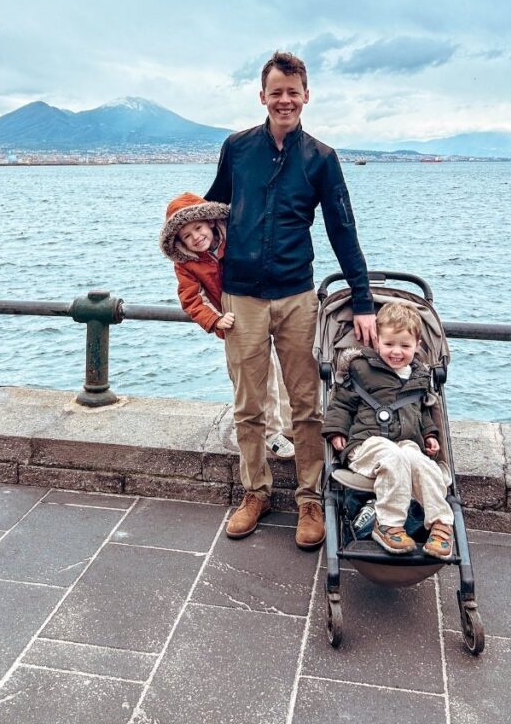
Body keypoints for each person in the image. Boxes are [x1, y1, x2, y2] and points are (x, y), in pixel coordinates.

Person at [205, 50, 377, 548]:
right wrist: (194, 277)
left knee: (306, 404)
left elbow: (343, 231)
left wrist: (363, 300)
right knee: (248, 404)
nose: (285, 100)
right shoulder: (237, 148)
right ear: (262, 96)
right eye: (276, 92)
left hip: (298, 296)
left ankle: (308, 499)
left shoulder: (321, 159)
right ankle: (254, 492)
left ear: (306, 96)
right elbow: (210, 212)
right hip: (241, 298)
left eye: (292, 92)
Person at [159, 191, 295, 460]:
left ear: (209, 222)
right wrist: (216, 320)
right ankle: (270, 433)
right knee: (255, 377)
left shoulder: (236, 237)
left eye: (198, 228)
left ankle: (289, 425)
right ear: (179, 241)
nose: (196, 238)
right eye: (187, 236)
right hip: (235, 321)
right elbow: (190, 299)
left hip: (267, 307)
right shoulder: (187, 263)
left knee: (284, 369)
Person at [321, 301, 454, 559]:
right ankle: (389, 524)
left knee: (422, 463)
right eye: (389, 344)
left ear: (417, 346)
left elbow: (422, 411)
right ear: (376, 342)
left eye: (405, 346)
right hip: (366, 444)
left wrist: (430, 434)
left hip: (406, 442)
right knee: (392, 455)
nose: (396, 352)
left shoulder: (419, 376)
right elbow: (342, 403)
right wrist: (336, 430)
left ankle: (441, 523)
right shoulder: (361, 369)